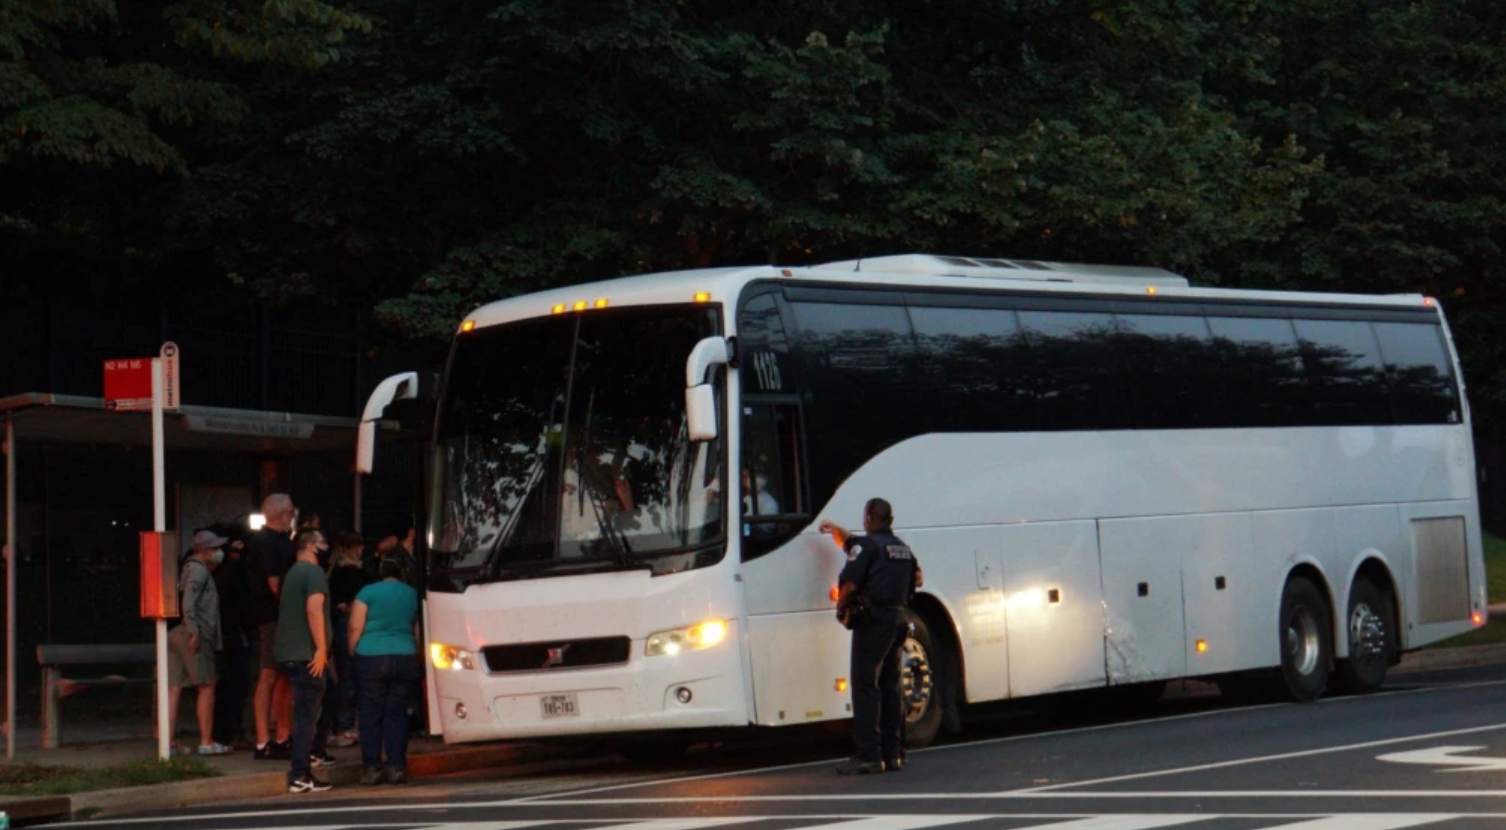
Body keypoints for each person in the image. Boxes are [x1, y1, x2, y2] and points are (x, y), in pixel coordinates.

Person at [819, 498, 922, 776]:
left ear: (868, 517)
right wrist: (838, 532)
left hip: (874, 621)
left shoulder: (867, 547)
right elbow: (918, 579)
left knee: (865, 686)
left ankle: (868, 755)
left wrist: (842, 608)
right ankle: (894, 753)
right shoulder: (902, 548)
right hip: (899, 619)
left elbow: (851, 583)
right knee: (890, 685)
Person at [348, 552, 422, 785]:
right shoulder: (412, 595)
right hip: (405, 655)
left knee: (370, 714)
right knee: (397, 714)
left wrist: (354, 651)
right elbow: (417, 630)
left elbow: (354, 626)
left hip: (371, 655)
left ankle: (372, 768)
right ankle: (396, 767)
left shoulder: (367, 593)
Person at [274, 529, 337, 793]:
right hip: (307, 655)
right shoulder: (313, 573)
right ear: (311, 546)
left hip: (290, 653)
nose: (325, 547)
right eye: (322, 542)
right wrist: (321, 649)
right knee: (306, 716)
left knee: (315, 706)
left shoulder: (292, 573)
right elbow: (314, 610)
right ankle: (300, 773)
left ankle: (308, 759)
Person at [166, 529, 233, 756]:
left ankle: (168, 742)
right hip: (194, 633)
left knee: (173, 688)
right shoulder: (199, 572)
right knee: (206, 687)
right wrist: (195, 632)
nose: (219, 552)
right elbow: (189, 604)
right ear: (205, 551)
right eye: (215, 548)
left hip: (174, 632)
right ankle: (206, 742)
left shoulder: (185, 568)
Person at [247, 494, 297, 760]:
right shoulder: (266, 542)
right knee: (269, 674)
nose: (293, 515)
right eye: (291, 511)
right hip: (273, 616)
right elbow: (275, 584)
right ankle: (264, 740)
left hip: (278, 616)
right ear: (283, 513)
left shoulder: (277, 541)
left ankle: (282, 735)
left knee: (283, 674)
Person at [210, 523, 254, 749]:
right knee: (231, 683)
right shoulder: (222, 571)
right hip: (229, 631)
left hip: (233, 630)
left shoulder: (225, 569)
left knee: (235, 683)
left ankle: (229, 731)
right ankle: (225, 732)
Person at [326, 531, 369, 747]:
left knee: (344, 675)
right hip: (349, 625)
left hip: (340, 625)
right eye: (358, 546)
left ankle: (341, 724)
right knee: (349, 677)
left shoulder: (334, 571)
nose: (361, 550)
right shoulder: (349, 572)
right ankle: (344, 725)